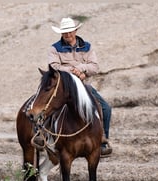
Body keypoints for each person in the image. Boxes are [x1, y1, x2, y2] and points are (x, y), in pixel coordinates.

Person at [48, 17, 112, 157]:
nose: (68, 35)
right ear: (61, 33)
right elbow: (54, 66)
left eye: (70, 32)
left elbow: (94, 67)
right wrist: (73, 71)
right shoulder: (54, 49)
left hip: (84, 85)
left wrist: (81, 70)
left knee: (106, 108)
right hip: (63, 86)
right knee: (47, 105)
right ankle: (45, 138)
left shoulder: (87, 47)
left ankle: (102, 140)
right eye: (65, 33)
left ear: (75, 30)